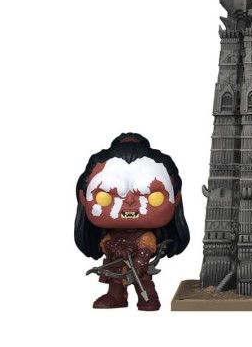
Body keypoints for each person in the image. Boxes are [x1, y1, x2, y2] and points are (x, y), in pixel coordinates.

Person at [74, 133, 189, 310]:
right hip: (117, 264)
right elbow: (105, 244)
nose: (129, 202)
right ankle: (116, 296)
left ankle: (148, 298)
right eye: (106, 196)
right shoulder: (111, 233)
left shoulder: (145, 236)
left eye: (153, 197)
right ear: (83, 198)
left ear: (176, 198)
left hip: (137, 266)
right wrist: (112, 247)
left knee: (143, 281)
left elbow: (147, 247)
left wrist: (141, 259)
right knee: (115, 281)